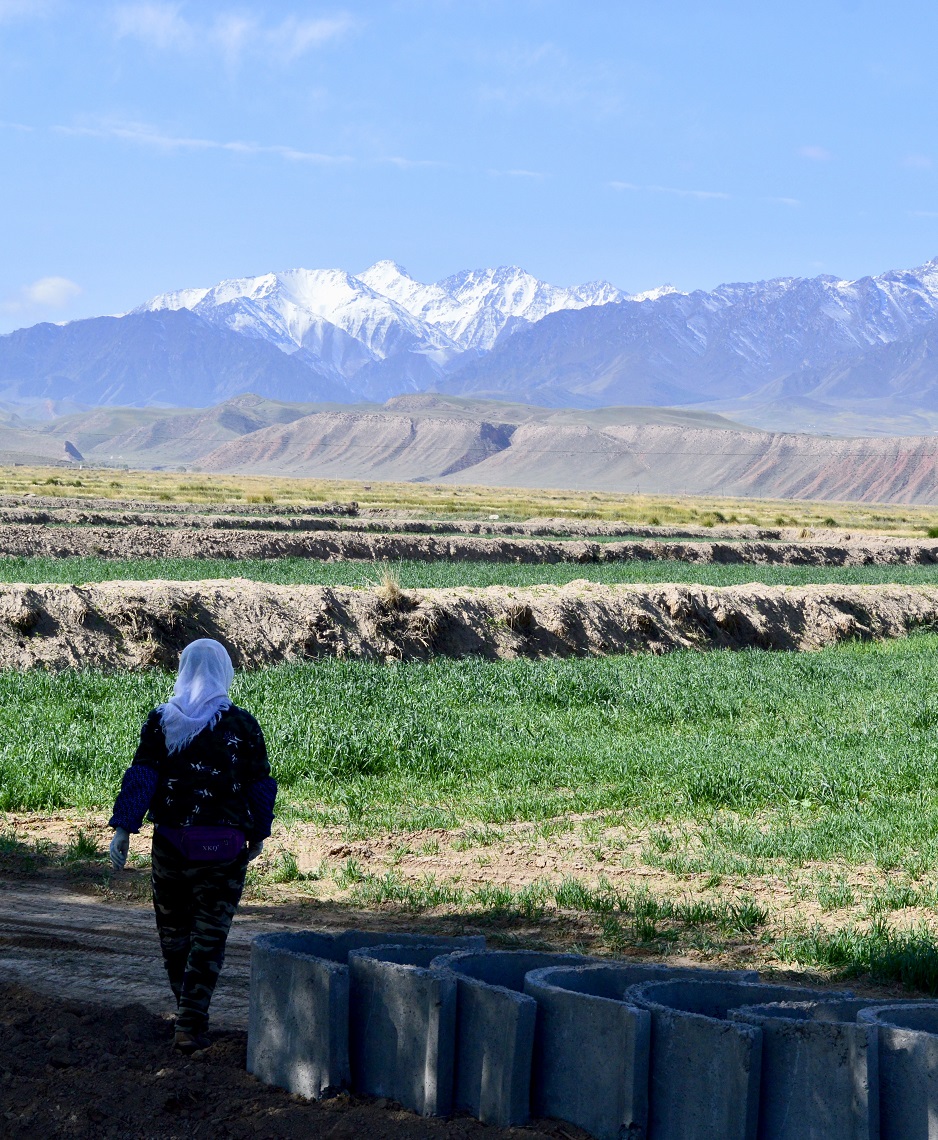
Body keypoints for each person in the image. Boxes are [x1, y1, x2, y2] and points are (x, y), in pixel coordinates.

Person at [108, 638, 276, 1053]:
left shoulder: (161, 721)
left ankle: (186, 1018)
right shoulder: (242, 724)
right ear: (224, 671)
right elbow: (260, 785)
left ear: (183, 669)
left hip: (171, 846)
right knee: (209, 936)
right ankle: (190, 1022)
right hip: (225, 849)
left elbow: (143, 776)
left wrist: (124, 830)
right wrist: (258, 833)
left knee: (174, 935)